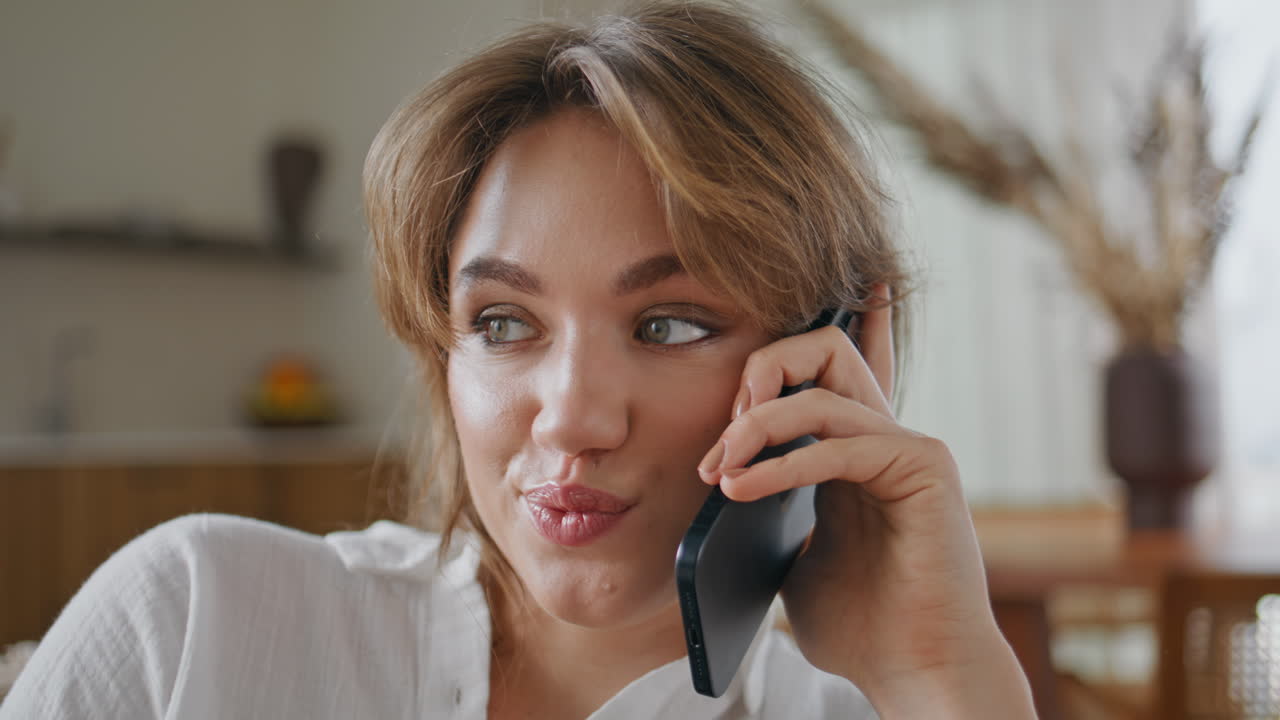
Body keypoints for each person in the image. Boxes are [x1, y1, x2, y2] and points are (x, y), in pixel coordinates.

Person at [1, 2, 1037, 718]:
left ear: (847, 343)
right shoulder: (191, 628)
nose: (571, 418)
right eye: (502, 323)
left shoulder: (879, 704)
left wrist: (943, 683)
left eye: (668, 323)